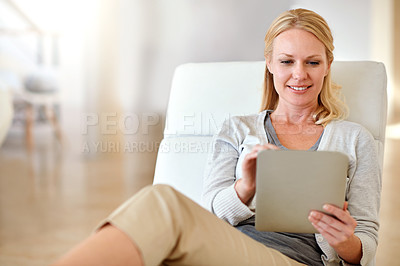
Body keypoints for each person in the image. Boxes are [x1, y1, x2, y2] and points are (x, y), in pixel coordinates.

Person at [52, 8, 381, 266]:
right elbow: (209, 215)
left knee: (161, 201)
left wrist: (342, 240)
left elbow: (364, 244)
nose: (299, 73)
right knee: (156, 217)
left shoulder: (354, 140)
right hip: (221, 250)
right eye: (286, 61)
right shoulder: (237, 129)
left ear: (327, 65)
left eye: (312, 61)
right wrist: (245, 188)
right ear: (269, 64)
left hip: (295, 259)